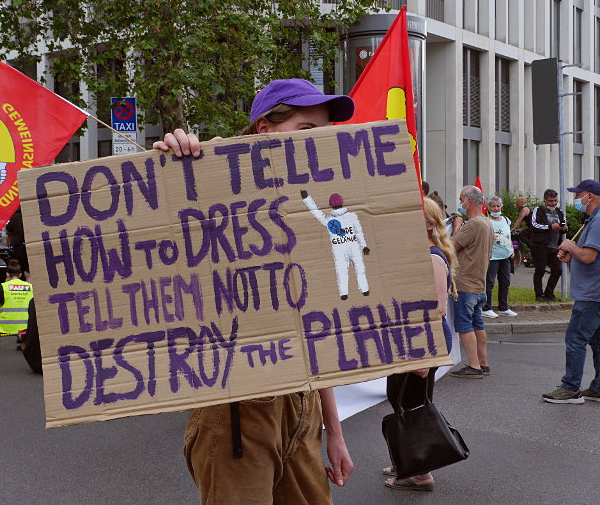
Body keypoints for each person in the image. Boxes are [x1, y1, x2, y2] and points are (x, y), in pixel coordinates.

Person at [154, 78, 355, 504]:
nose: (317, 141)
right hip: (239, 406)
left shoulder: (312, 206)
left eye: (323, 132)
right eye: (306, 130)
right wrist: (176, 153)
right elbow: (160, 234)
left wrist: (333, 432)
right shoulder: (214, 186)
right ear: (264, 129)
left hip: (303, 404)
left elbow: (320, 324)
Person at [382, 196, 458, 492]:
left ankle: (420, 473)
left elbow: (437, 308)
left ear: (429, 223)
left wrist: (425, 356)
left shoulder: (431, 256)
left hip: (422, 342)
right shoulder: (417, 253)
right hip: (411, 340)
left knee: (413, 403)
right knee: (401, 396)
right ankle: (408, 458)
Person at [542, 180, 600, 404]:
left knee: (576, 336)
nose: (576, 198)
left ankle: (570, 388)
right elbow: (587, 256)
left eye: (578, 194)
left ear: (589, 196)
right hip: (599, 288)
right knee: (599, 339)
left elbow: (588, 256)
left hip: (594, 291)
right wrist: (571, 256)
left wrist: (571, 247)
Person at [449, 186, 493, 379]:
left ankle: (474, 366)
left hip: (465, 284)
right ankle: (483, 363)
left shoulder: (473, 224)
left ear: (469, 201)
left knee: (465, 325)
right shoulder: (487, 223)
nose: (460, 204)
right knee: (478, 325)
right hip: (479, 283)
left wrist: (457, 225)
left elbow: (451, 247)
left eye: (461, 200)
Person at [301, 190, 369, 300]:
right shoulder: (352, 216)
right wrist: (364, 246)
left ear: (331, 205)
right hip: (354, 247)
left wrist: (307, 199)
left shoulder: (329, 220)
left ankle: (343, 294)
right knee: (360, 268)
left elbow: (317, 213)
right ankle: (365, 290)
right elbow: (359, 232)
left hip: (339, 250)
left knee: (341, 271)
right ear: (342, 203)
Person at [482, 196, 517, 318]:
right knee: (489, 282)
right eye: (493, 206)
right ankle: (486, 308)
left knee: (505, 282)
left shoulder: (506, 220)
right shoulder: (486, 221)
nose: (496, 208)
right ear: (488, 207)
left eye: (498, 206)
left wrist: (512, 249)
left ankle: (503, 307)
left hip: (506, 255)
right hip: (492, 256)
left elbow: (508, 236)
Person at [530, 189, 567, 301]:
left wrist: (564, 228)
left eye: (555, 201)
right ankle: (539, 295)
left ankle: (549, 293)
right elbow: (534, 225)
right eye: (551, 201)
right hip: (540, 246)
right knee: (540, 270)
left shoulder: (559, 211)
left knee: (557, 270)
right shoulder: (538, 210)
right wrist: (549, 226)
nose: (553, 203)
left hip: (554, 246)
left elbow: (564, 224)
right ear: (545, 200)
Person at [0, 259, 33, 336]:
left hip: (5, 328)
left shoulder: (3, 287)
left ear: (7, 274)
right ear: (20, 275)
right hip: (26, 328)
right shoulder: (30, 287)